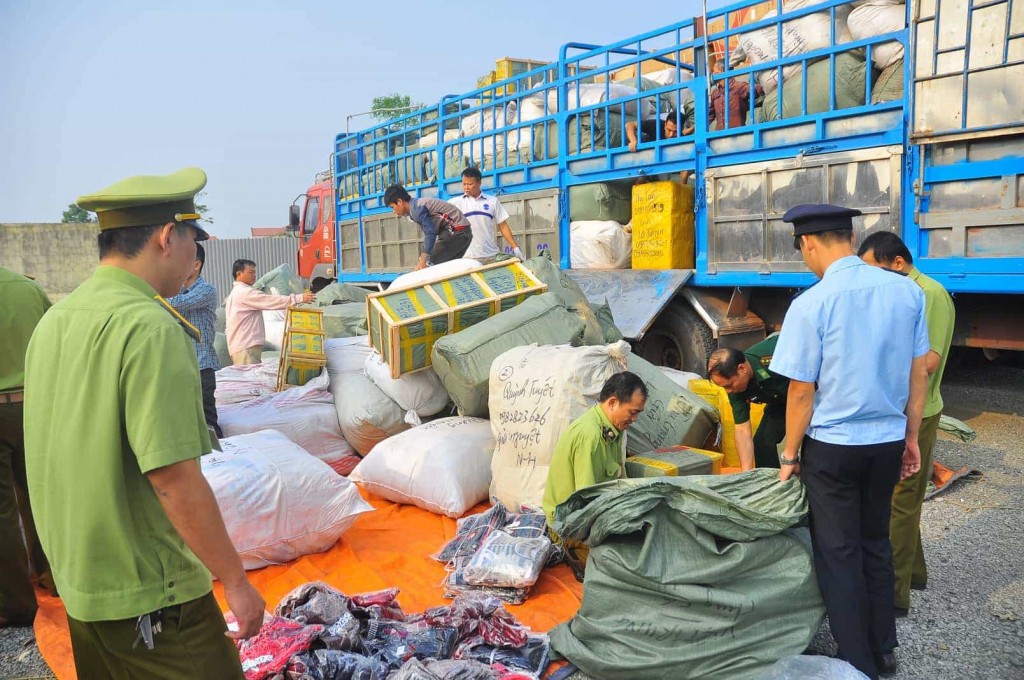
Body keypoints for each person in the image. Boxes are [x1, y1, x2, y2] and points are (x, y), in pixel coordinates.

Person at [23, 167, 264, 678]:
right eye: (193, 243)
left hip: (83, 585)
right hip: (153, 598)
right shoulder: (150, 327)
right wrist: (236, 583)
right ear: (165, 237)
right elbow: (173, 480)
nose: (194, 259)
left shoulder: (56, 320)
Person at [769, 204, 929, 680]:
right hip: (886, 440)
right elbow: (917, 370)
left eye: (802, 250)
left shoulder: (812, 303)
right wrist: (912, 437)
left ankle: (857, 661)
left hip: (833, 447)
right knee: (875, 541)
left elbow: (801, 390)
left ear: (809, 243)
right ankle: (884, 648)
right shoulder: (906, 293)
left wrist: (789, 455)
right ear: (851, 235)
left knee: (838, 552)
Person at [858, 231, 955, 617]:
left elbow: (927, 362)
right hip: (897, 410)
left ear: (898, 263)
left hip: (917, 411)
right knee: (900, 497)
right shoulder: (900, 292)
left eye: (875, 270)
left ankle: (893, 596)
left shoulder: (928, 294)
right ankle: (913, 573)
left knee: (899, 503)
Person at [543, 371, 647, 579]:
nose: (634, 419)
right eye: (633, 412)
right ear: (612, 402)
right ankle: (572, 552)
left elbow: (617, 481)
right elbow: (587, 507)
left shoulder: (614, 430)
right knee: (631, 561)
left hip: (595, 514)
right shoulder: (590, 435)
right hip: (570, 528)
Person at [0, 267, 51, 627]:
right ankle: (57, 577)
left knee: (3, 513)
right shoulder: (27, 289)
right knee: (42, 495)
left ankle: (17, 604)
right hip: (35, 404)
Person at [706, 334, 788, 471]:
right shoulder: (735, 388)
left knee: (813, 446)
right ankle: (769, 486)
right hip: (780, 400)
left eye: (729, 385)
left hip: (814, 392)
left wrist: (792, 454)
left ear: (742, 369)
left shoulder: (777, 358)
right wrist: (746, 474)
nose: (728, 391)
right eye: (723, 387)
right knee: (763, 443)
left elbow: (804, 393)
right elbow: (742, 429)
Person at [168, 243, 223, 438]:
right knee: (188, 422)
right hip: (183, 366)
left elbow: (175, 305)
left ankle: (223, 461)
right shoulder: (178, 291)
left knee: (207, 422)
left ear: (196, 265)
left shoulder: (206, 290)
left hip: (201, 368)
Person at [225, 259, 313, 366]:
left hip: (241, 346)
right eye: (250, 272)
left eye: (254, 272)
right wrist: (298, 298)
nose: (254, 275)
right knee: (250, 379)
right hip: (246, 347)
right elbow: (270, 301)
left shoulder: (235, 293)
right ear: (239, 274)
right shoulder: (245, 293)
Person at [383, 184, 473, 270]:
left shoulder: (416, 209)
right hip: (462, 233)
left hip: (458, 232)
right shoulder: (416, 205)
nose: (393, 211)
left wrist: (424, 259)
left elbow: (430, 233)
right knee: (447, 267)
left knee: (429, 263)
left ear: (399, 202)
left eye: (392, 207)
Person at [448, 167, 525, 261]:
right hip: (467, 258)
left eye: (470, 184)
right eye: (464, 184)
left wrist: (515, 247)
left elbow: (503, 226)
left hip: (490, 255)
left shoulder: (492, 201)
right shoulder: (455, 203)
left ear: (479, 183)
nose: (466, 187)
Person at [708, 59, 762, 131]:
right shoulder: (715, 93)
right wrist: (693, 129)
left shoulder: (738, 87)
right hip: (720, 137)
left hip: (737, 134)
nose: (713, 74)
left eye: (714, 70)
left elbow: (758, 89)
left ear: (720, 71)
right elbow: (709, 116)